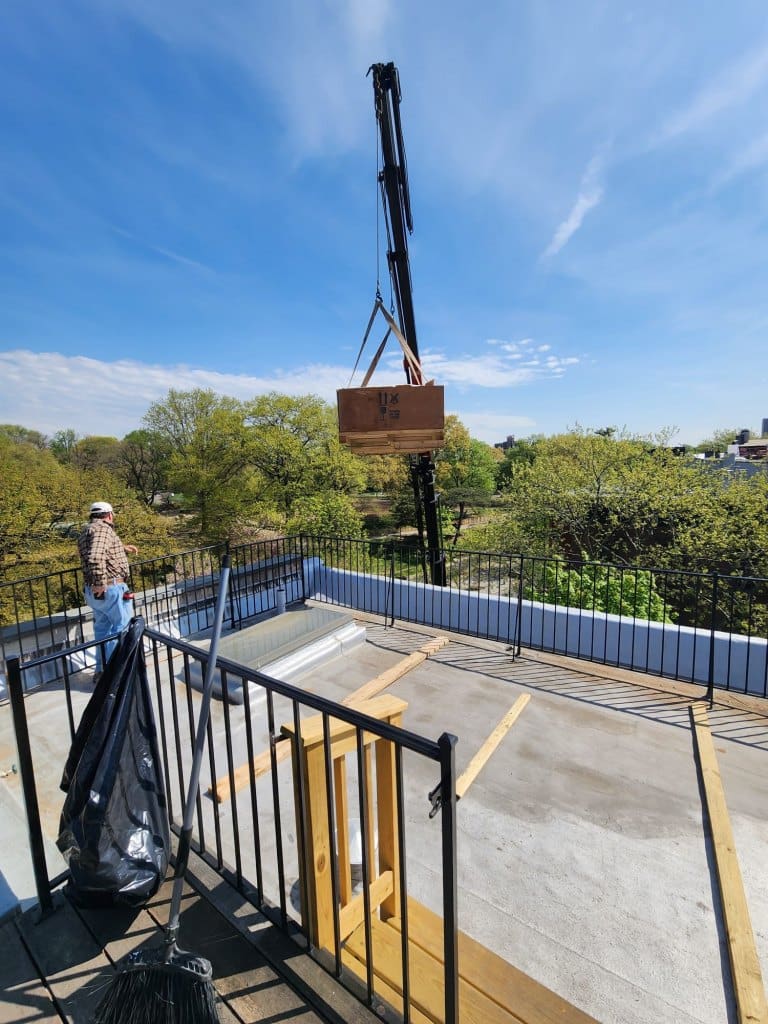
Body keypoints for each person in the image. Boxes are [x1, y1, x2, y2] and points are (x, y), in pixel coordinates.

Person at [77, 501, 139, 673]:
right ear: (110, 515)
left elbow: (93, 551)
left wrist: (121, 547)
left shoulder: (86, 531)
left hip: (94, 592)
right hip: (110, 588)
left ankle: (103, 671)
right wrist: (100, 583)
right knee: (123, 629)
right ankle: (121, 673)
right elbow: (96, 557)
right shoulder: (104, 529)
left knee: (103, 632)